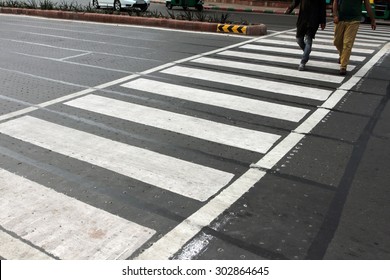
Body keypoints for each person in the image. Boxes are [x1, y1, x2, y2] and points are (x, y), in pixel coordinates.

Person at [333, 0, 376, 75]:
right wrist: (335, 15)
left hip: (354, 20)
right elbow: (335, 2)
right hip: (340, 19)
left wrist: (372, 19)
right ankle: (342, 55)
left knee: (347, 43)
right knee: (337, 42)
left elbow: (367, 5)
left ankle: (343, 66)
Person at [285, 0, 326, 71]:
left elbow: (322, 8)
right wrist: (290, 8)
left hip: (313, 21)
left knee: (308, 41)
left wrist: (323, 21)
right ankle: (307, 51)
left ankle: (303, 62)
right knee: (299, 40)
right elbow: (296, 1)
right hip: (302, 20)